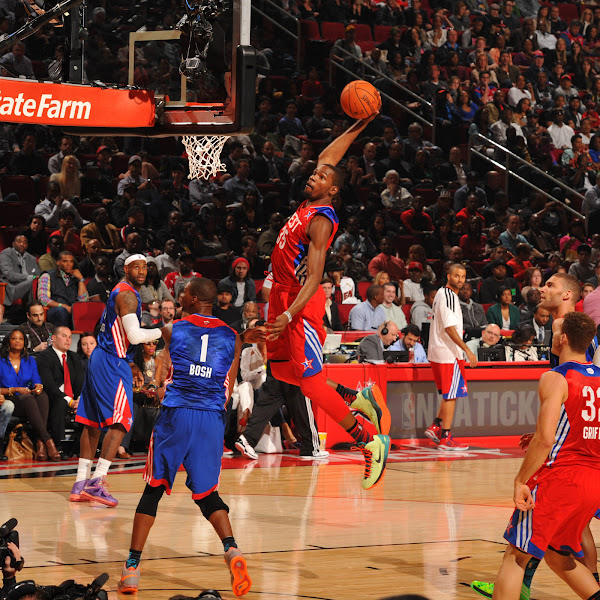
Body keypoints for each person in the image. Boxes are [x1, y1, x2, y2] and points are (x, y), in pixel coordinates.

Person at [265, 112, 391, 491]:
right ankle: (358, 396)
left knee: (310, 383)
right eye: (314, 174)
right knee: (283, 373)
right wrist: (359, 125)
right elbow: (330, 157)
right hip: (282, 295)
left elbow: (316, 278)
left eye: (321, 177)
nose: (314, 176)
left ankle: (368, 439)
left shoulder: (321, 219)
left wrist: (289, 313)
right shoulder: (307, 205)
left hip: (300, 302)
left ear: (332, 190)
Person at [118, 278, 262, 596]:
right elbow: (226, 386)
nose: (179, 296)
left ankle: (131, 568)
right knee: (207, 494)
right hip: (211, 418)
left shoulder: (174, 328)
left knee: (153, 489)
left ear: (194, 298)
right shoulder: (232, 336)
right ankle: (232, 550)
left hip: (177, 414)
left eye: (183, 293)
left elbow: (142, 341)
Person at [486, 312, 600, 600]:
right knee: (559, 557)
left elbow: (546, 439)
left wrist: (520, 480)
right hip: (594, 481)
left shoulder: (555, 377)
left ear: (562, 340)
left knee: (515, 557)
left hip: (560, 479)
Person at [70, 255, 163, 507]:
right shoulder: (127, 295)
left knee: (90, 422)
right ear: (125, 269)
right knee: (121, 421)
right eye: (137, 267)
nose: (142, 271)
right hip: (112, 362)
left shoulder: (121, 292)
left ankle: (80, 483)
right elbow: (134, 336)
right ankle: (96, 482)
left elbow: (116, 330)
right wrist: (164, 329)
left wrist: (132, 362)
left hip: (102, 357)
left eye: (145, 267)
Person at [424, 264, 478, 450]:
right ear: (448, 276)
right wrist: (467, 351)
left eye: (463, 277)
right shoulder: (447, 295)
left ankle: (436, 426)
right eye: (456, 276)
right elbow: (449, 328)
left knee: (449, 394)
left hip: (440, 352)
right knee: (452, 395)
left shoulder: (444, 294)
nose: (460, 280)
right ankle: (445, 438)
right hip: (448, 353)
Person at [0, 329, 58, 461]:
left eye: (20, 339)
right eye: (14, 338)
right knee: (28, 399)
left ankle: (40, 443)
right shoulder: (1, 361)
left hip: (27, 398)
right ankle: (48, 441)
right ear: (8, 342)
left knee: (42, 395)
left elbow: (36, 380)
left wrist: (38, 386)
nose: (18, 341)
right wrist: (14, 390)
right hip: (9, 399)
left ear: (25, 343)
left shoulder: (30, 360)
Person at [35, 326, 84, 454]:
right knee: (60, 402)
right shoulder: (44, 357)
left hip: (73, 398)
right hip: (53, 397)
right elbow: (49, 385)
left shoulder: (75, 357)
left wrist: (78, 400)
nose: (68, 340)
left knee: (90, 402)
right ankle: (58, 445)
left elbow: (80, 382)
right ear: (54, 338)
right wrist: (70, 401)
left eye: (69, 337)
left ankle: (88, 446)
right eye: (64, 336)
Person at [38, 251, 89, 327]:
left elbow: (83, 301)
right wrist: (63, 306)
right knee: (62, 311)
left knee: (87, 311)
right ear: (58, 262)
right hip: (54, 310)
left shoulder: (75, 277)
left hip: (73, 311)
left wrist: (81, 279)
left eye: (71, 262)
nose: (69, 264)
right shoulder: (47, 275)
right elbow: (43, 299)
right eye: (65, 261)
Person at [0, 235, 39, 321]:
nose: (22, 244)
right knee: (31, 281)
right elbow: (9, 275)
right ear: (13, 243)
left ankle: (31, 314)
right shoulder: (6, 254)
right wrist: (29, 277)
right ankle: (33, 313)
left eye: (25, 242)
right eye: (19, 241)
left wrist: (33, 277)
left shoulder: (31, 258)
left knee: (36, 281)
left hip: (26, 287)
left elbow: (37, 274)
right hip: (10, 288)